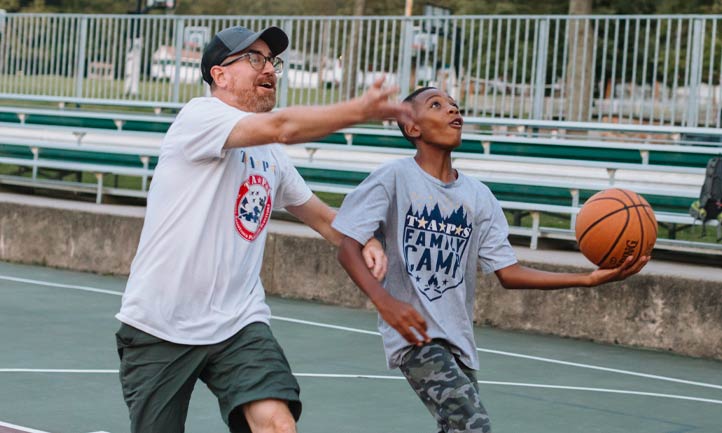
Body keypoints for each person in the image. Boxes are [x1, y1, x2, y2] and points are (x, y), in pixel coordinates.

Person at [115, 25, 410, 433]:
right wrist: (358, 110)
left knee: (277, 425)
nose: (268, 68)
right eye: (254, 59)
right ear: (220, 75)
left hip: (238, 323)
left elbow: (323, 218)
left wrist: (364, 240)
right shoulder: (199, 117)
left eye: (272, 61)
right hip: (161, 323)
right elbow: (284, 126)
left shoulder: (269, 155)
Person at [332, 87, 649, 433]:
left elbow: (509, 273)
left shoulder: (479, 197)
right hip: (415, 338)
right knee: (473, 425)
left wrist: (588, 279)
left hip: (458, 340)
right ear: (412, 128)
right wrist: (385, 303)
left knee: (457, 427)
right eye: (436, 105)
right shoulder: (395, 178)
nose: (453, 111)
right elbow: (348, 247)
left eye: (454, 105)